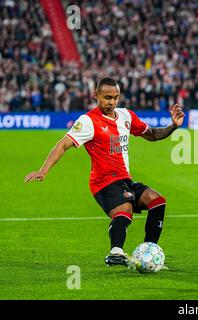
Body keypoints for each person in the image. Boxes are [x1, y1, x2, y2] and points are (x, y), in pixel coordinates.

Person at [25, 78, 185, 267]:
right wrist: (43, 170)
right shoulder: (88, 121)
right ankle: (115, 252)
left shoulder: (126, 116)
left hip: (125, 180)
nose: (112, 102)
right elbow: (63, 145)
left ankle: (148, 253)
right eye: (107, 97)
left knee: (158, 201)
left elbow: (151, 134)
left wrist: (173, 126)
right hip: (103, 182)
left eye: (116, 98)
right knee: (124, 211)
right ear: (96, 95)